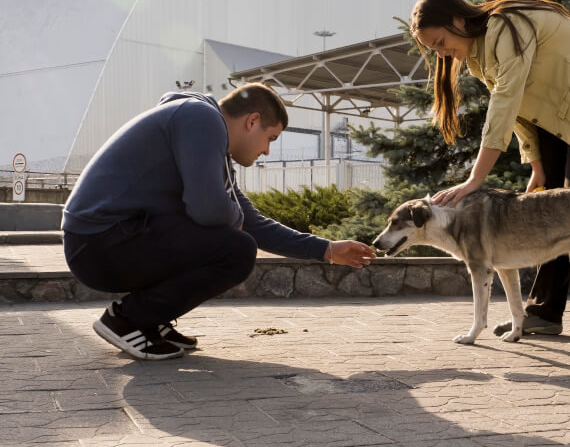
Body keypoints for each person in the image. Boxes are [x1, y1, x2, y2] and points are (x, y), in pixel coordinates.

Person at [62, 83, 376, 360]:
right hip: (100, 244)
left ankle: (149, 318)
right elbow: (209, 210)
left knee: (235, 241)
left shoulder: (206, 136)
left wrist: (327, 249)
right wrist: (232, 216)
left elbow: (246, 220)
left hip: (108, 241)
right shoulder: (200, 118)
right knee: (236, 249)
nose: (267, 151)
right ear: (252, 121)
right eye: (271, 138)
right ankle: (127, 319)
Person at [410, 0, 570, 345]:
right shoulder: (478, 55)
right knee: (546, 207)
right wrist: (536, 164)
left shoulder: (505, 28)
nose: (442, 53)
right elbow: (521, 111)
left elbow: (505, 102)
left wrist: (475, 179)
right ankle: (544, 312)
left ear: (458, 21)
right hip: (555, 110)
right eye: (433, 49)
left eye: (440, 42)